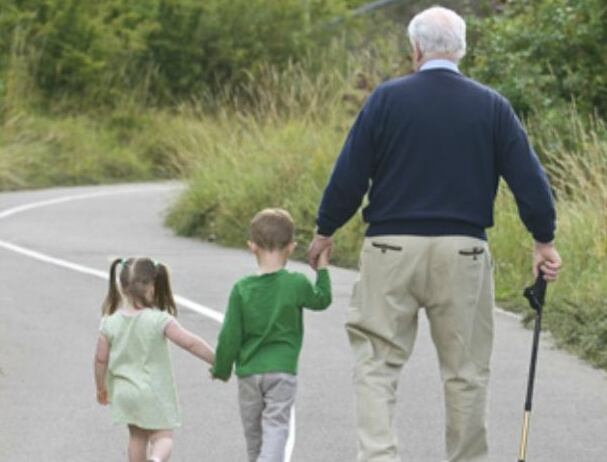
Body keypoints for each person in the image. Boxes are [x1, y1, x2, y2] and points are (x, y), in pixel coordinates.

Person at [307, 6, 562, 462]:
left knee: (377, 363)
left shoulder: (386, 99)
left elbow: (350, 175)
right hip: (463, 251)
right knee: (465, 371)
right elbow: (530, 182)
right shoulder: (491, 105)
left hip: (390, 247)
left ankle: (380, 457)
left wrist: (325, 230)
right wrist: (543, 240)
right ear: (462, 49)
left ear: (416, 49)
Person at [211, 208, 332, 462]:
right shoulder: (296, 283)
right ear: (291, 247)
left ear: (251, 247)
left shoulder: (241, 289)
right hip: (282, 370)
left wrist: (221, 369)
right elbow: (322, 300)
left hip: (249, 373)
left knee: (254, 436)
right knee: (276, 428)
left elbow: (230, 336)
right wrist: (322, 268)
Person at [94, 257, 215, 462]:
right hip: (154, 391)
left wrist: (101, 387)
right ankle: (157, 459)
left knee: (137, 436)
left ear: (121, 287)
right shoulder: (159, 320)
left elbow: (100, 359)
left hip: (126, 392)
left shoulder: (109, 323)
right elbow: (189, 343)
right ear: (152, 287)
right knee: (163, 436)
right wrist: (217, 359)